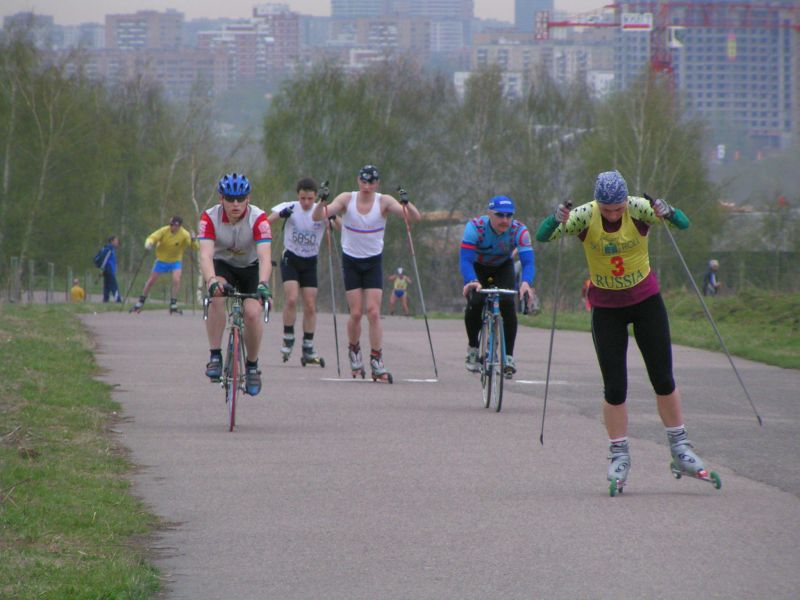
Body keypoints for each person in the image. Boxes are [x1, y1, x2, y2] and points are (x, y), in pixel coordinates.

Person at [535, 169, 713, 492]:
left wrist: (667, 210)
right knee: (615, 388)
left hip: (645, 301)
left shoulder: (638, 208)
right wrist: (555, 218)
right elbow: (543, 236)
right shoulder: (585, 216)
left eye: (618, 208)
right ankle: (619, 453)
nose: (614, 214)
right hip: (606, 309)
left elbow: (683, 224)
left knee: (663, 377)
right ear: (598, 203)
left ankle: (680, 447)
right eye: (608, 209)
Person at [312, 164, 421, 381]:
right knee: (355, 313)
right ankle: (354, 351)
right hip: (351, 261)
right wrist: (322, 201)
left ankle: (376, 359)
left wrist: (406, 202)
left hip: (372, 262)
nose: (367, 186)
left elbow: (413, 217)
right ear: (358, 180)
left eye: (371, 182)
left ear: (377, 183)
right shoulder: (347, 198)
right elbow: (318, 216)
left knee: (372, 312)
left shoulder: (384, 201)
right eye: (364, 181)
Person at [198, 172, 273, 396]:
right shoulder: (209, 217)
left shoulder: (259, 219)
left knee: (251, 313)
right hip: (223, 266)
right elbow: (205, 256)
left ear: (248, 198)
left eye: (240, 198)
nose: (236, 204)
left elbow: (265, 257)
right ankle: (214, 355)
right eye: (230, 199)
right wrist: (211, 281)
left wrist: (263, 284)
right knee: (217, 295)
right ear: (221, 199)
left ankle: (252, 366)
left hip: (251, 268)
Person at [460, 195, 535, 378]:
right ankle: (473, 347)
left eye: (509, 216)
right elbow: (465, 259)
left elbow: (528, 262)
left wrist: (526, 283)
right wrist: (471, 280)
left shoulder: (520, 230)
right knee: (476, 302)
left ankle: (508, 356)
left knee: (508, 303)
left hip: (503, 267)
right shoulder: (475, 228)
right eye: (500, 215)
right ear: (489, 214)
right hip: (477, 268)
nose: (505, 220)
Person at [268, 177, 332, 364]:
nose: (306, 203)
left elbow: (338, 227)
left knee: (310, 305)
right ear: (298, 196)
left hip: (310, 261)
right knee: (291, 298)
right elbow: (266, 221)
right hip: (291, 258)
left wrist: (332, 220)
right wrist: (281, 215)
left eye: (310, 199)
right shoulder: (290, 206)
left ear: (315, 198)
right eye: (303, 198)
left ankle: (308, 346)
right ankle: (288, 338)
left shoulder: (321, 211)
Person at [130, 216, 199, 314]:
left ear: (179, 226)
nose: (171, 227)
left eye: (174, 225)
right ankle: (140, 302)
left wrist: (193, 239)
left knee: (176, 279)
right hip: (161, 260)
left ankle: (173, 304)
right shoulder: (164, 230)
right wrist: (149, 243)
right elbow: (153, 237)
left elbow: (194, 247)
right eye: (170, 224)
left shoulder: (184, 234)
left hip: (175, 260)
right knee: (151, 281)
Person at [99, 235, 121, 303]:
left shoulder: (111, 249)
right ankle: (118, 300)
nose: (117, 242)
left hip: (108, 269)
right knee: (114, 285)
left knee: (107, 286)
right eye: (116, 240)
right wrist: (102, 269)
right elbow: (104, 260)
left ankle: (105, 300)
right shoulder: (109, 249)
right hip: (109, 269)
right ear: (112, 241)